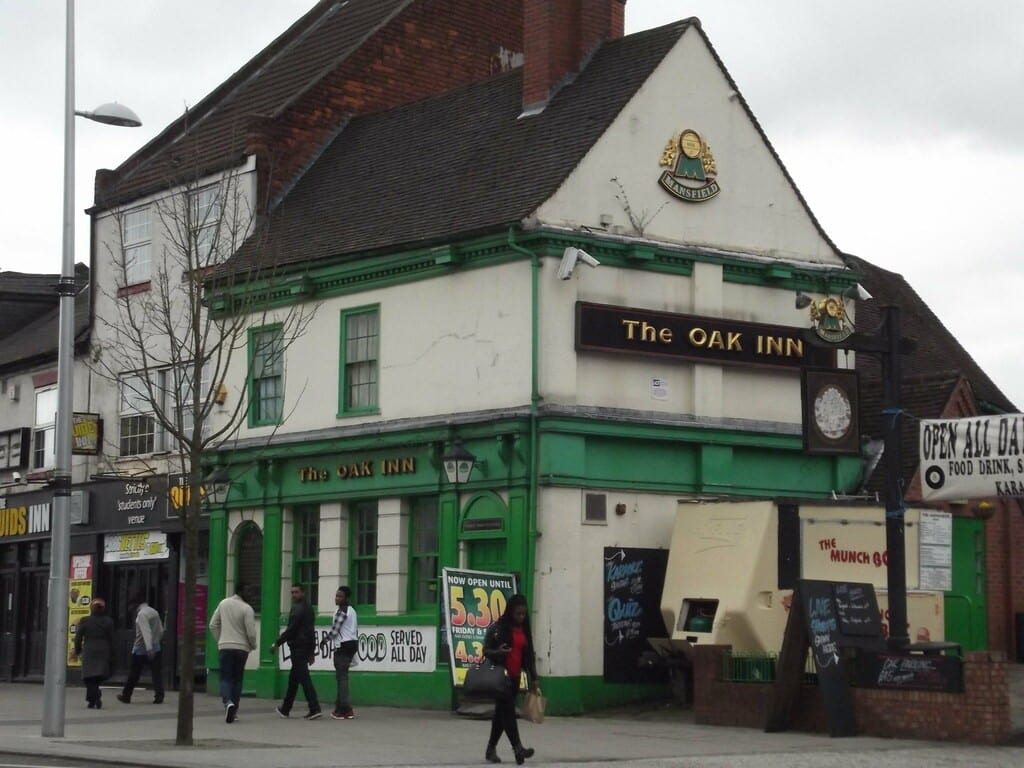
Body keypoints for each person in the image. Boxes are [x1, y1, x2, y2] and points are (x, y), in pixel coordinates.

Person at [483, 594, 540, 765]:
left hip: (515, 678)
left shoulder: (524, 629)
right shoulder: (498, 628)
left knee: (501, 716)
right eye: (518, 614)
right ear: (510, 612)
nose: (521, 618)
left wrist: (534, 677)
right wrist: (499, 653)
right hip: (501, 677)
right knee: (508, 712)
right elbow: (486, 651)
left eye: (523, 614)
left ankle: (490, 749)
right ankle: (518, 748)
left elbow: (528, 655)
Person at [270, 584, 322, 719]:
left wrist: (277, 642)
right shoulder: (308, 608)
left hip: (298, 646)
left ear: (303, 593)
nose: (294, 595)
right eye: (292, 592)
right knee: (294, 679)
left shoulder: (298, 609)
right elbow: (311, 631)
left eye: (296, 592)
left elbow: (292, 629)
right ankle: (286, 708)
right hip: (303, 646)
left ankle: (314, 707)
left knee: (304, 678)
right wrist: (311, 650)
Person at [209, 581, 258, 723]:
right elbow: (251, 632)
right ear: (241, 591)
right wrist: (252, 645)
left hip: (225, 647)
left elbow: (213, 624)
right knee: (237, 680)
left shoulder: (223, 604)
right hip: (242, 648)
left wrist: (221, 640)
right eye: (248, 591)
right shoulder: (247, 608)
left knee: (225, 678)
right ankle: (234, 709)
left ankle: (227, 703)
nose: (251, 595)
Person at [117, 590, 165, 704]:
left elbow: (146, 632)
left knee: (134, 674)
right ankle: (159, 695)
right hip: (156, 646)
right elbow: (160, 629)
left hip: (141, 649)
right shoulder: (154, 612)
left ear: (135, 604)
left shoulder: (141, 615)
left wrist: (149, 648)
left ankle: (126, 695)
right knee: (156, 673)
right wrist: (156, 641)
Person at [72, 597, 116, 709]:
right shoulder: (108, 621)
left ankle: (95, 696)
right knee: (97, 675)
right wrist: (112, 652)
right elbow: (112, 638)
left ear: (91, 608)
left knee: (88, 676)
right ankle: (92, 699)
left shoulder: (85, 620)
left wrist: (77, 650)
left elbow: (78, 637)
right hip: (104, 648)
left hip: (89, 649)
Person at [327, 585, 358, 720]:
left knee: (342, 677)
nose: (337, 598)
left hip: (343, 645)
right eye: (336, 595)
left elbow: (335, 631)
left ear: (346, 598)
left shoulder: (342, 611)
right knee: (342, 676)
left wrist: (324, 641)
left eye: (340, 596)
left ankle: (345, 708)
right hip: (352, 643)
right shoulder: (352, 610)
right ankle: (340, 708)